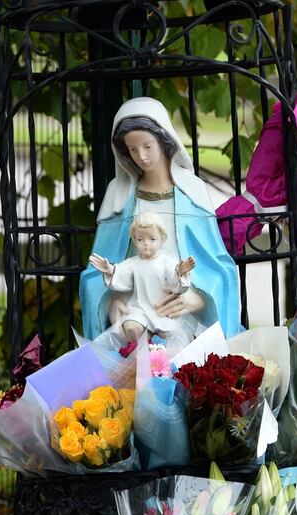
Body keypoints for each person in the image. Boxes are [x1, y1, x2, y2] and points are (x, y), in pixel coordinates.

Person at [79, 97, 241, 342]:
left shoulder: (191, 191)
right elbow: (96, 271)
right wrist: (112, 303)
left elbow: (220, 268)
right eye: (132, 149)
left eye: (147, 146)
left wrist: (199, 299)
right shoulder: (119, 195)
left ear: (164, 141)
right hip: (133, 318)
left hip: (183, 319)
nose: (141, 156)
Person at [89, 212, 196, 342]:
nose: (146, 244)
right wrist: (110, 270)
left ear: (161, 239)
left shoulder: (166, 262)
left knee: (172, 336)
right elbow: (121, 275)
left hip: (161, 311)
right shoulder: (133, 263)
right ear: (134, 240)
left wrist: (181, 271)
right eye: (140, 239)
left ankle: (156, 353)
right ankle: (135, 350)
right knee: (131, 328)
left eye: (152, 239)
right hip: (139, 309)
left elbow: (176, 285)